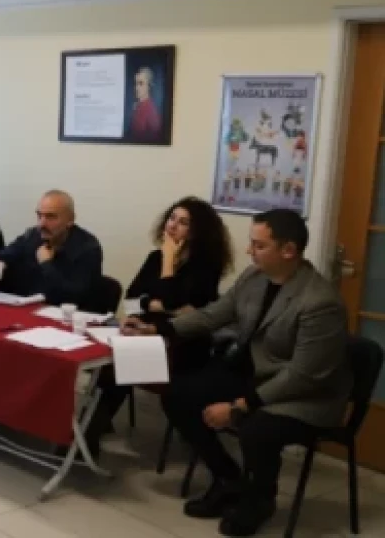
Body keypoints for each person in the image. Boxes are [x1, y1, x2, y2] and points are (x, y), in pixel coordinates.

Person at [124, 209, 350, 537]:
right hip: (256, 375)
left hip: (304, 396)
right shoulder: (254, 277)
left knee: (257, 428)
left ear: (288, 250)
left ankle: (259, 500)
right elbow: (213, 315)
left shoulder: (319, 302)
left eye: (259, 245)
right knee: (177, 395)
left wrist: (239, 406)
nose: (249, 250)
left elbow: (303, 376)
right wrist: (161, 331)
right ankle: (228, 477)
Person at [84, 196, 233, 455]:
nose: (172, 225)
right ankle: (91, 429)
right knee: (106, 362)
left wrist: (167, 265)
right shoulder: (154, 257)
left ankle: (88, 435)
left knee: (123, 363)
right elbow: (132, 299)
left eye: (183, 222)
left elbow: (177, 305)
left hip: (184, 344)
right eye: (172, 218)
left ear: (197, 232)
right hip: (146, 332)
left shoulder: (206, 267)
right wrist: (153, 306)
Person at [0, 190, 105, 312]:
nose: (41, 224)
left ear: (70, 220)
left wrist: (46, 264)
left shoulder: (88, 248)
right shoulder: (33, 235)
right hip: (31, 309)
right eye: (39, 216)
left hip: (69, 316)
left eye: (50, 217)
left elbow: (73, 296)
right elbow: (8, 253)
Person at [131, 66, 162, 141]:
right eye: (136, 84)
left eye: (141, 83)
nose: (136, 88)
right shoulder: (137, 106)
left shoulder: (151, 111)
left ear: (149, 86)